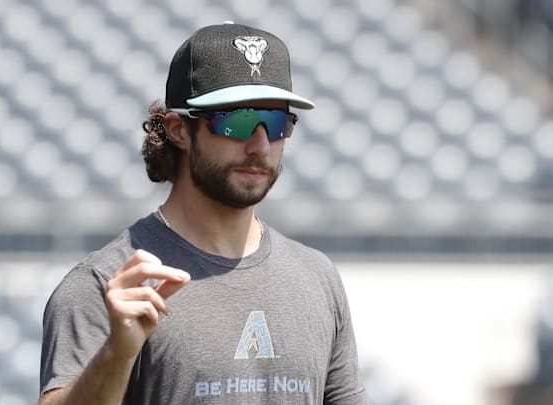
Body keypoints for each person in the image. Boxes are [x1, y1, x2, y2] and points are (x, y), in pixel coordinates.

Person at [37, 22, 369, 405]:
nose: (260, 145)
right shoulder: (108, 286)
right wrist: (117, 352)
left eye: (277, 122)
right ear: (178, 129)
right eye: (238, 120)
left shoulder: (317, 277)